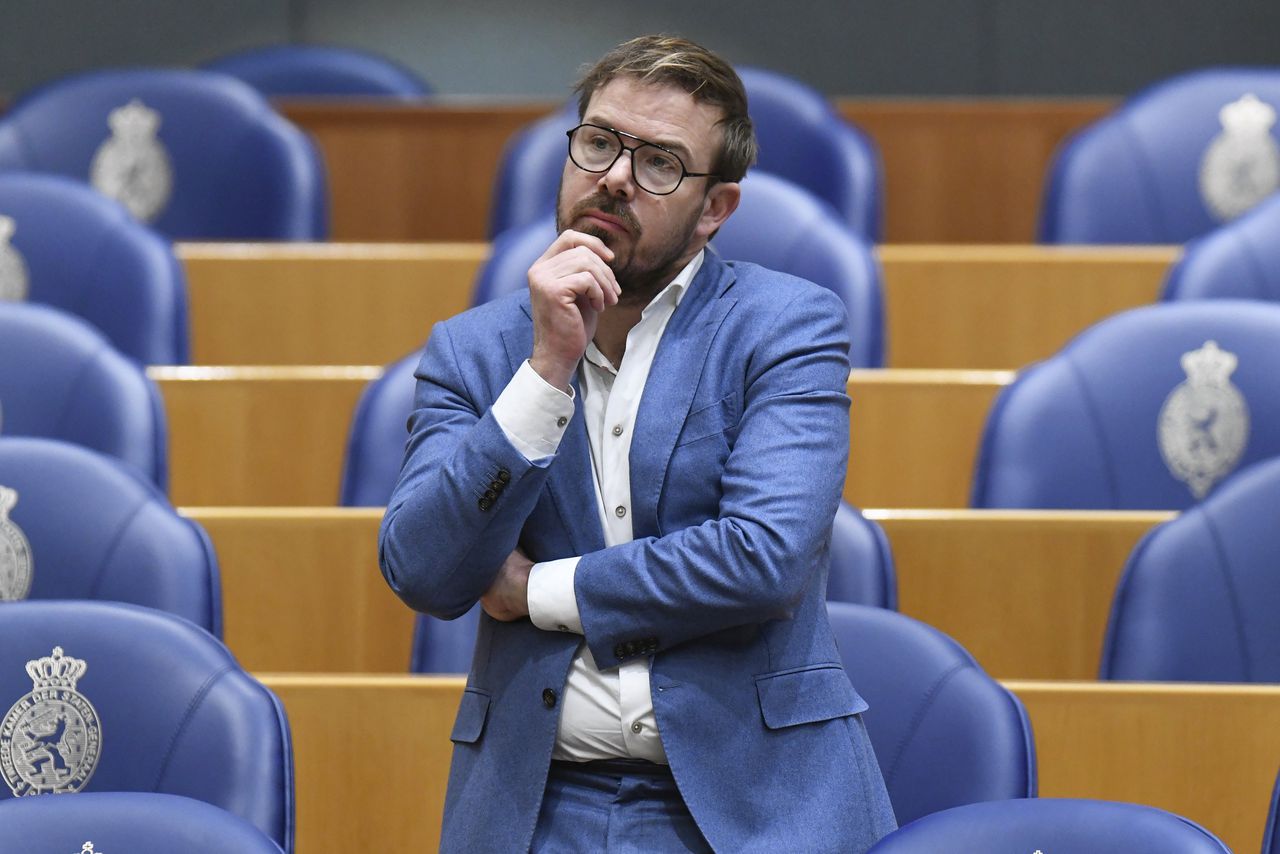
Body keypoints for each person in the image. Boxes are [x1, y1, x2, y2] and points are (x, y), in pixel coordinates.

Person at [379, 34, 896, 852]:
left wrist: (537, 591)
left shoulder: (786, 327)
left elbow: (763, 556)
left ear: (715, 208)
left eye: (658, 163)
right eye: (598, 143)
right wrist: (545, 371)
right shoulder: (473, 351)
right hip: (538, 801)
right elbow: (424, 570)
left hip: (754, 800)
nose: (614, 176)